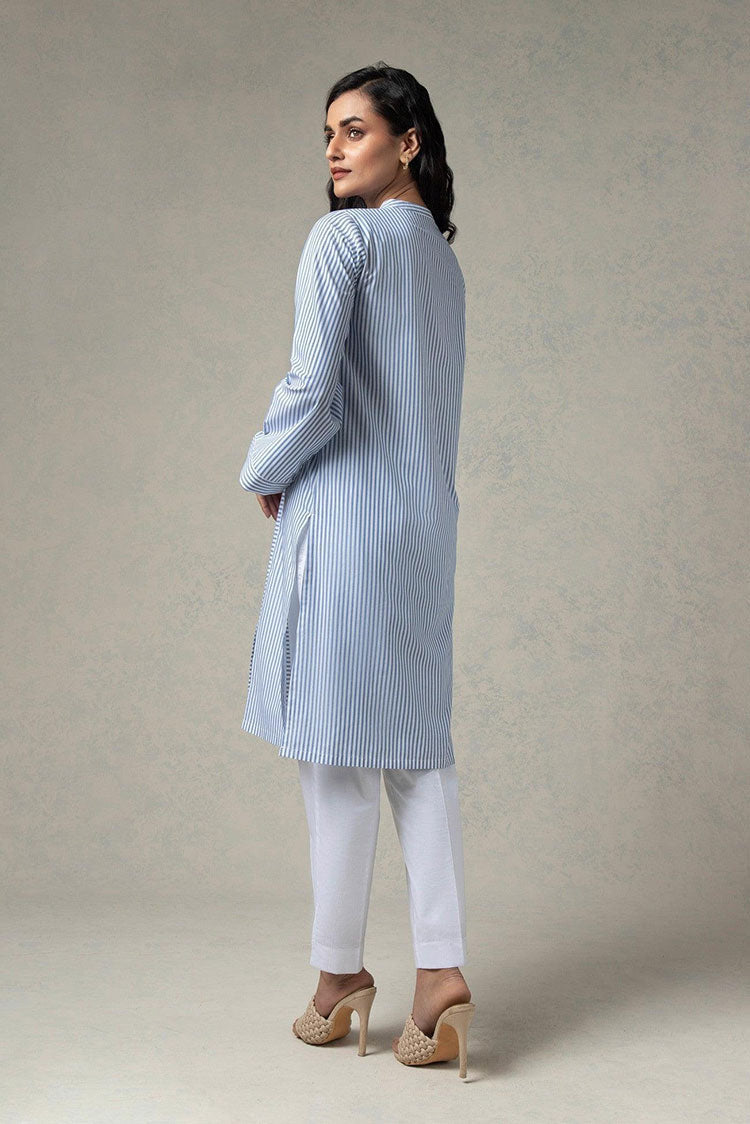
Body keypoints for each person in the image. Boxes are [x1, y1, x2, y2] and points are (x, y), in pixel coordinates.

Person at [238, 63, 475, 1077]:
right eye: (328, 134)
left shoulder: (344, 240)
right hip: (423, 532)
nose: (335, 150)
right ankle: (442, 971)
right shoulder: (443, 265)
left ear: (408, 140)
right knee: (417, 750)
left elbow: (313, 386)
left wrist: (263, 467)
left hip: (345, 527)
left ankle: (339, 975)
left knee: (334, 758)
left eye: (355, 130)